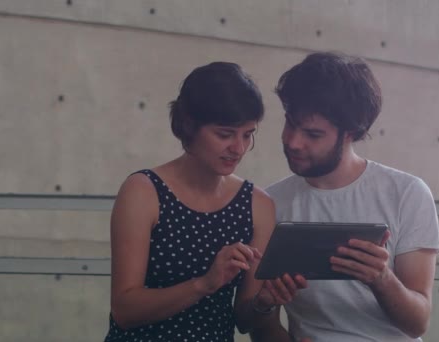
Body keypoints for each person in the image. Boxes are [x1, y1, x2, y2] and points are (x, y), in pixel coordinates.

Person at [250, 52, 439, 342]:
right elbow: (262, 331)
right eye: (290, 123)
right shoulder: (271, 203)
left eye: (313, 134)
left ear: (351, 133)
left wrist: (382, 278)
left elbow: (417, 323)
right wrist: (264, 307)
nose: (293, 141)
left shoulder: (407, 194)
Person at [104, 61, 300, 342]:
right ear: (189, 125)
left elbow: (244, 321)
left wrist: (264, 302)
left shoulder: (257, 204)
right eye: (225, 134)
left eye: (248, 134)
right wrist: (204, 284)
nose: (239, 148)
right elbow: (124, 310)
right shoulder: (144, 191)